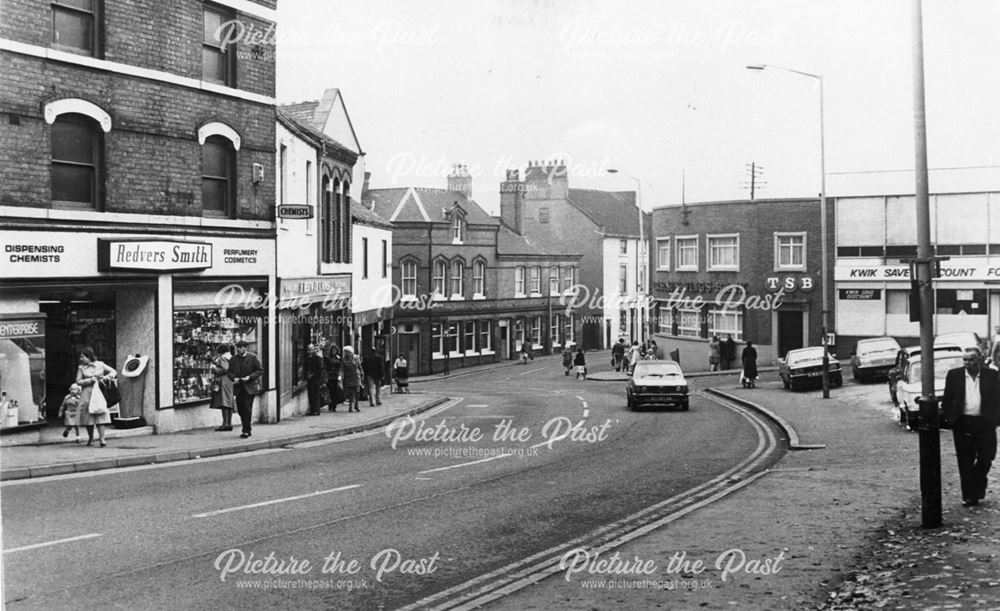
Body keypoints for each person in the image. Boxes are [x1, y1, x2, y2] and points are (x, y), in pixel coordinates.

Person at [941, 348, 1000, 507]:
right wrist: (952, 419)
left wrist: (995, 420)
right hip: (963, 423)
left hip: (985, 423)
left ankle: (979, 482)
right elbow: (947, 400)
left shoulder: (991, 375)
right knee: (965, 461)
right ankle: (970, 496)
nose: (968, 363)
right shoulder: (954, 375)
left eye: (971, 360)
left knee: (986, 457)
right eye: (965, 360)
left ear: (979, 359)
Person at [76, 347, 117, 447]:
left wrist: (107, 377)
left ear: (88, 356)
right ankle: (91, 438)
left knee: (100, 414)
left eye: (82, 357)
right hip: (87, 392)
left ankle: (102, 439)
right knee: (87, 416)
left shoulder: (100, 364)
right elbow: (78, 381)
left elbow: (113, 372)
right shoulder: (81, 368)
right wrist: (89, 381)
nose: (81, 359)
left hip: (99, 391)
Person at [228, 340, 263, 439]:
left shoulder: (253, 358)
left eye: (240, 347)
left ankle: (246, 430)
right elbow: (229, 372)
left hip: (250, 387)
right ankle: (247, 427)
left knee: (247, 408)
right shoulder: (233, 359)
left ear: (245, 348)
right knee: (240, 409)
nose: (238, 349)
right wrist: (233, 378)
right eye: (237, 347)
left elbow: (260, 370)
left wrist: (250, 377)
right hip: (239, 387)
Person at [210, 344, 235, 430]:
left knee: (224, 402)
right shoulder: (231, 358)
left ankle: (225, 424)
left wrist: (215, 369)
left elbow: (224, 369)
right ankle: (229, 423)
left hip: (224, 381)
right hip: (230, 381)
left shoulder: (222, 358)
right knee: (229, 402)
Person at [305, 342, 328, 415]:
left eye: (310, 349)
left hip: (315, 379)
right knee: (311, 395)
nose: (309, 351)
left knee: (315, 395)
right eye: (308, 350)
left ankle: (316, 410)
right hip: (311, 379)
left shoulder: (317, 358)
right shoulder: (308, 357)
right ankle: (313, 410)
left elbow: (320, 369)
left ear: (313, 350)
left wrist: (314, 375)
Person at [339, 346, 364, 412]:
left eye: (347, 352)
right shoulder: (344, 360)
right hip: (349, 377)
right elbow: (341, 369)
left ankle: (356, 405)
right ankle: (350, 406)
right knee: (350, 392)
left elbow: (359, 366)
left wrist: (362, 373)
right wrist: (340, 376)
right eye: (345, 352)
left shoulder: (356, 358)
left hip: (356, 376)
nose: (346, 353)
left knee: (357, 391)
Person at [324, 342, 343, 412]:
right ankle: (330, 404)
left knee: (335, 391)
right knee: (330, 391)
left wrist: (340, 376)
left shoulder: (338, 358)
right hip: (330, 376)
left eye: (335, 351)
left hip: (336, 376)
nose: (334, 352)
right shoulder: (328, 358)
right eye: (332, 350)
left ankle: (334, 405)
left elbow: (340, 367)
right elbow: (326, 366)